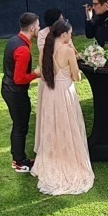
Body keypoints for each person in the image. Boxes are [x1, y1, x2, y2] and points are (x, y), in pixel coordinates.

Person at [32, 19, 94, 196]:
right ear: (64, 34)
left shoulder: (45, 49)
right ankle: (69, 158)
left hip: (50, 93)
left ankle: (53, 158)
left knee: (53, 126)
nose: (71, 36)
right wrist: (76, 72)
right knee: (68, 125)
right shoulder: (67, 51)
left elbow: (44, 76)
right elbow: (76, 77)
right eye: (70, 33)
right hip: (65, 93)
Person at [3, 12, 40, 174]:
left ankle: (18, 158)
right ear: (31, 28)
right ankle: (19, 162)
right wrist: (36, 74)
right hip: (16, 92)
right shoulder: (23, 49)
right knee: (20, 126)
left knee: (19, 125)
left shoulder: (13, 40)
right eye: (38, 25)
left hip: (8, 89)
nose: (39, 28)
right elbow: (19, 79)